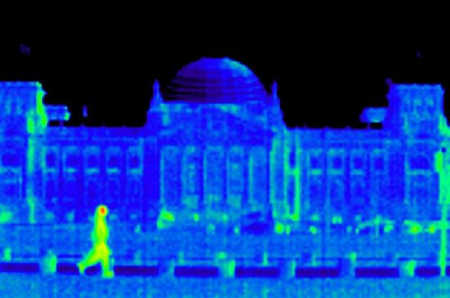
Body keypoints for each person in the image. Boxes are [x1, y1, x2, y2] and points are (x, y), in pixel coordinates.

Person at [77, 204, 114, 278]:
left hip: (101, 242)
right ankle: (83, 265)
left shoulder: (101, 221)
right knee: (99, 257)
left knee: (102, 257)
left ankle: (105, 271)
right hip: (100, 242)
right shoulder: (99, 221)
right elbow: (98, 233)